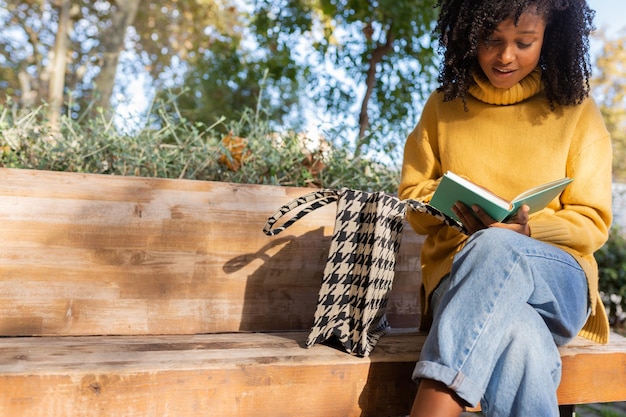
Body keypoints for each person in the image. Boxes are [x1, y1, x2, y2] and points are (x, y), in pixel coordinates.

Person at [398, 1, 613, 416]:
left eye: (524, 41)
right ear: (467, 34)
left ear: (551, 36)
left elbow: (592, 223)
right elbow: (412, 200)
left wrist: (527, 231)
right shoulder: (443, 106)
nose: (505, 55)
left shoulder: (576, 109)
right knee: (519, 336)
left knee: (496, 245)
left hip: (558, 281)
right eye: (491, 39)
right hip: (462, 284)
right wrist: (452, 209)